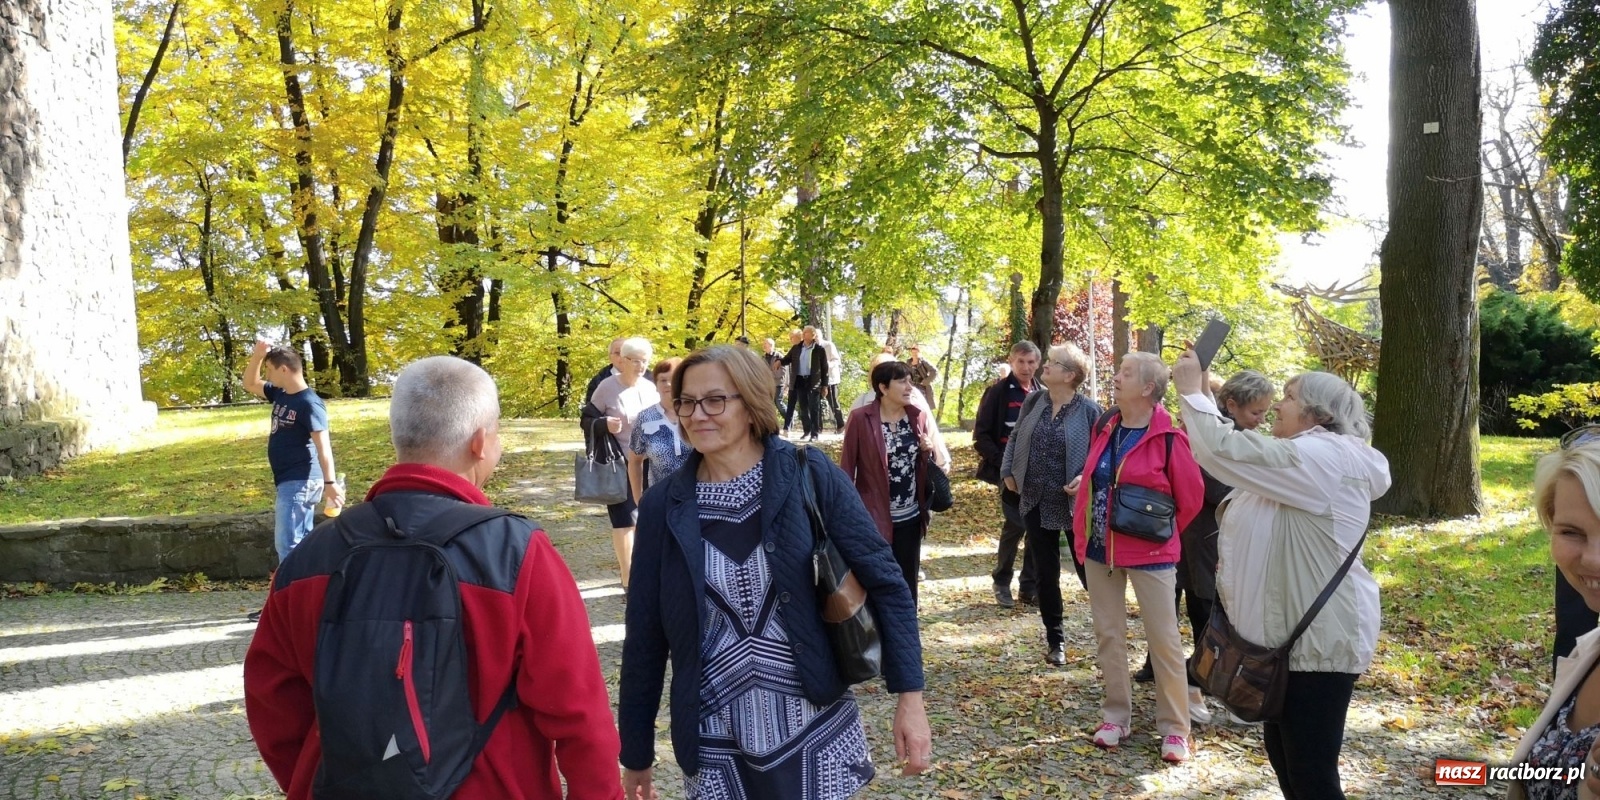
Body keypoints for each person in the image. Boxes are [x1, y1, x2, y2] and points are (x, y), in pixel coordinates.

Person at [244, 356, 621, 800]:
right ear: (481, 442)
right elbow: (578, 711)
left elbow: (272, 703)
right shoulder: (516, 552)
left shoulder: (310, 556)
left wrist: (316, 779)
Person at [619, 345, 931, 799]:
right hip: (715, 741)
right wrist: (636, 753)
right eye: (686, 401)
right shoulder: (664, 506)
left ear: (752, 403)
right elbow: (645, 636)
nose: (696, 414)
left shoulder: (808, 473)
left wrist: (911, 698)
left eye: (715, 400)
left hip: (815, 730)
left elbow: (887, 583)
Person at [1173, 351, 1389, 796]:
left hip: (1318, 645)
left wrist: (1192, 392)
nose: (1278, 405)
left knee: (1312, 775)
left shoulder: (1323, 458)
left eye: (1288, 397)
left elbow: (1225, 450)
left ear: (1318, 414)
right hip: (1286, 644)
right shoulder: (1305, 459)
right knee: (1288, 764)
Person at [1072, 351, 1204, 763]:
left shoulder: (1169, 438)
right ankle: (1116, 716)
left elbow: (1191, 498)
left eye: (1126, 373)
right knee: (1108, 635)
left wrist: (1157, 535)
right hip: (1101, 549)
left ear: (1148, 388)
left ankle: (1176, 729)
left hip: (1151, 552)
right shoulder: (1106, 426)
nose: (1116, 376)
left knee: (1163, 641)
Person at [1131, 370, 1273, 722]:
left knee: (1203, 608)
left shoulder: (1238, 438)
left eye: (1265, 413)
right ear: (1232, 406)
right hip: (1201, 539)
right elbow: (1212, 487)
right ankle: (1196, 683)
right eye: (1256, 413)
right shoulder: (1218, 439)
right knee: (1201, 609)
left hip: (1209, 540)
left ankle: (1199, 681)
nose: (1262, 420)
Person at [1000, 343, 1100, 665]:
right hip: (1036, 500)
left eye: (1054, 363)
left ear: (1070, 375)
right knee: (1046, 573)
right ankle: (1055, 640)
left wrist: (1084, 477)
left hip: (1074, 506)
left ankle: (1108, 633)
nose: (1046, 365)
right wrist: (1007, 471)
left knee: (1089, 573)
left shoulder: (1089, 411)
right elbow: (1015, 438)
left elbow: (1102, 457)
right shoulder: (1035, 400)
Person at [242, 341, 343, 619]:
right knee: (298, 543)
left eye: (271, 370)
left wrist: (330, 484)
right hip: (290, 481)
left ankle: (292, 607)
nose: (268, 375)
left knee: (289, 544)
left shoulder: (309, 403)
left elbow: (324, 448)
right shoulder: (281, 394)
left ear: (284, 369)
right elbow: (250, 383)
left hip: (300, 481)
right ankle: (300, 602)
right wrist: (258, 356)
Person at [840, 360, 936, 604]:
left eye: (910, 381)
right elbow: (846, 469)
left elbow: (924, 465)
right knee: (877, 585)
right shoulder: (861, 419)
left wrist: (927, 450)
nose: (909, 386)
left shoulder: (918, 416)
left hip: (911, 518)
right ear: (883, 388)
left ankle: (907, 638)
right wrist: (846, 518)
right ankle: (879, 639)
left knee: (908, 585)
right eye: (902, 381)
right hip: (874, 519)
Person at [584, 337, 660, 595]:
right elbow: (587, 419)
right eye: (636, 361)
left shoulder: (651, 388)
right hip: (619, 463)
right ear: (623, 361)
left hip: (651, 463)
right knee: (625, 522)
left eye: (645, 361)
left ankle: (647, 572)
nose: (641, 365)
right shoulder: (606, 387)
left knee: (648, 520)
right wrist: (605, 423)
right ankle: (629, 580)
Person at [974, 341, 1043, 608]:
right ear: (1012, 362)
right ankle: (1001, 581)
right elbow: (981, 436)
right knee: (1017, 525)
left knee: (1036, 529)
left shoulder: (1042, 394)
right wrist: (1006, 466)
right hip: (1009, 474)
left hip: (1038, 474)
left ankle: (1028, 587)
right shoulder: (998, 393)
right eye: (1021, 362)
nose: (1026, 367)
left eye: (1031, 362)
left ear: (1038, 363)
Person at [628, 357, 693, 503]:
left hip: (697, 500)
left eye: (673, 379)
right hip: (660, 500)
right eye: (663, 380)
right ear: (656, 384)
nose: (668, 384)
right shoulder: (646, 417)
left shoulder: (696, 413)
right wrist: (639, 500)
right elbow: (634, 462)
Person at [779, 326, 829, 441]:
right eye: (804, 332)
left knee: (813, 407)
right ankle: (806, 431)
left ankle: (814, 434)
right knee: (803, 407)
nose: (804, 334)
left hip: (813, 381)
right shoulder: (797, 348)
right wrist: (779, 362)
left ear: (813, 335)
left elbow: (824, 368)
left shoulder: (819, 350)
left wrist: (824, 385)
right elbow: (787, 359)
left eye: (807, 332)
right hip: (800, 380)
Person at [585, 336, 627, 408]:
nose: (622, 356)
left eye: (626, 352)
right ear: (610, 357)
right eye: (617, 353)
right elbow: (589, 415)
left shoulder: (648, 379)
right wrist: (605, 419)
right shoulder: (598, 381)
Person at [781, 330, 803, 434]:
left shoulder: (807, 349)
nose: (790, 340)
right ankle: (786, 428)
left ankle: (811, 429)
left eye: (792, 338)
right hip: (794, 382)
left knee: (805, 406)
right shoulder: (794, 349)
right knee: (790, 405)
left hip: (804, 383)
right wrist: (779, 362)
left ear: (798, 337)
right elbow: (786, 360)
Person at [822, 335, 846, 430]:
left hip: (831, 379)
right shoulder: (813, 347)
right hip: (818, 379)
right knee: (814, 403)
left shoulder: (829, 345)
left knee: (833, 402)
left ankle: (841, 425)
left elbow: (836, 360)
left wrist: (827, 365)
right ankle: (817, 427)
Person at [906, 345, 938, 413]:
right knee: (910, 407)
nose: (913, 350)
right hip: (911, 388)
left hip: (922, 389)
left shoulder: (923, 362)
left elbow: (934, 371)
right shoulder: (908, 362)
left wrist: (925, 382)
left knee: (922, 408)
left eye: (914, 349)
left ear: (918, 350)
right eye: (911, 349)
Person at [762, 337, 787, 416]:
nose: (763, 345)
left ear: (771, 345)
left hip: (778, 384)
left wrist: (771, 375)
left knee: (778, 403)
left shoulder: (779, 356)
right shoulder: (763, 358)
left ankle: (789, 417)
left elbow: (783, 371)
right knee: (768, 404)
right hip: (767, 385)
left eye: (765, 344)